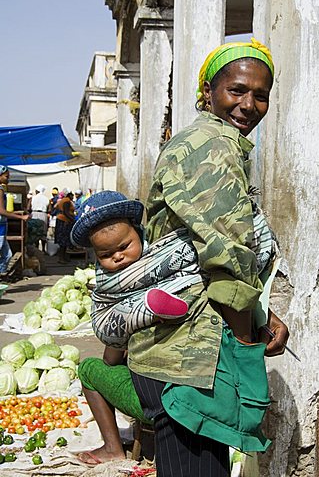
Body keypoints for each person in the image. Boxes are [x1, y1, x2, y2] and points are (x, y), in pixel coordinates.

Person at [78, 39, 290, 472]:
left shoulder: (218, 142)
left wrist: (262, 319)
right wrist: (246, 345)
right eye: (237, 90)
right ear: (208, 91)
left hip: (188, 352)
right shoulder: (210, 146)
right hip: (187, 359)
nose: (249, 104)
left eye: (260, 94)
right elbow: (227, 260)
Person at [71, 190, 202, 350]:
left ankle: (157, 308)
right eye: (106, 254)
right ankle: (152, 311)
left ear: (139, 233)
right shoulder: (104, 277)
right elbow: (104, 302)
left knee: (186, 274)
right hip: (116, 311)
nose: (118, 256)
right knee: (114, 320)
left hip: (164, 293)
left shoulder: (156, 253)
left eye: (124, 246)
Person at [0, 166, 29, 273]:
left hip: (2, 228)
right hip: (0, 229)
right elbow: (1, 211)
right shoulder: (0, 190)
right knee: (6, 255)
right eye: (6, 177)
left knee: (7, 256)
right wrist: (21, 217)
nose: (8, 179)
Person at [54, 188, 75, 264]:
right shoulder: (66, 201)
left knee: (65, 241)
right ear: (69, 195)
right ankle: (61, 258)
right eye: (72, 194)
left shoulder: (65, 200)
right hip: (64, 221)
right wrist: (72, 219)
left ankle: (64, 257)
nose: (73, 196)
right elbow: (66, 212)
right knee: (63, 240)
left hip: (64, 220)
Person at [30, 184, 49, 252]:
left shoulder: (33, 198)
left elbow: (28, 207)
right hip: (43, 214)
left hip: (34, 214)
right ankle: (43, 249)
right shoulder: (46, 198)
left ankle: (36, 248)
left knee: (35, 231)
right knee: (43, 232)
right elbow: (49, 209)